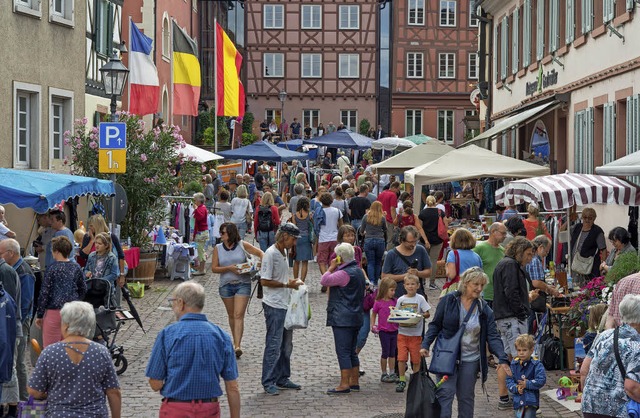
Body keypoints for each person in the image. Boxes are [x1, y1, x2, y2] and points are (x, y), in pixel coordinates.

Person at [420, 267, 510, 418]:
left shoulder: (484, 309)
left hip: (471, 359)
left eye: (482, 285)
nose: (479, 288)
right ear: (466, 283)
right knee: (444, 395)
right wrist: (425, 344)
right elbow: (435, 324)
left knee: (466, 398)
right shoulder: (449, 300)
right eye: (476, 284)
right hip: (446, 357)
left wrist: (502, 357)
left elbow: (493, 336)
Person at [146, 282, 240, 418]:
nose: (172, 306)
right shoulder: (221, 336)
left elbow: (155, 383)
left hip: (175, 408)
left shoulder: (168, 334)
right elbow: (232, 387)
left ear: (180, 302)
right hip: (209, 409)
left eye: (172, 302)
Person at [28, 301, 121, 418]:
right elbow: (113, 391)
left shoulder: (50, 353)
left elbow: (34, 391)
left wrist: (48, 394)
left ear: (66, 325)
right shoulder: (101, 352)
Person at [493, 236, 538, 410]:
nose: (529, 258)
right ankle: (519, 397)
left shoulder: (506, 264)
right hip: (511, 317)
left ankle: (505, 398)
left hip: (505, 317)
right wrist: (521, 312)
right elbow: (510, 292)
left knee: (507, 358)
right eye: (527, 254)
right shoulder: (510, 265)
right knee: (519, 358)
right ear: (519, 251)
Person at [259, 223, 303, 396]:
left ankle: (282, 377)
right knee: (274, 344)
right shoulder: (270, 254)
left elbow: (281, 276)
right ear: (284, 236)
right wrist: (286, 284)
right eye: (293, 239)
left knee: (286, 345)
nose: (294, 243)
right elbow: (264, 280)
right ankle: (268, 380)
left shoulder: (283, 251)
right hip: (274, 305)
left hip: (284, 303)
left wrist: (291, 282)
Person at [580, 294, 640, 418]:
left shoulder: (604, 335)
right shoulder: (637, 344)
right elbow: (632, 387)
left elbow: (584, 370)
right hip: (618, 410)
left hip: (590, 406)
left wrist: (588, 397)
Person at [211, 222, 263, 358]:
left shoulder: (242, 245)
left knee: (239, 314)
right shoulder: (218, 248)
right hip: (225, 285)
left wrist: (258, 265)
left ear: (231, 234)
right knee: (232, 315)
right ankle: (235, 341)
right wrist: (229, 268)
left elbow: (260, 253)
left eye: (223, 233)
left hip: (243, 283)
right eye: (221, 233)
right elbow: (214, 268)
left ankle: (237, 345)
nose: (221, 235)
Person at [320, 243, 365, 394]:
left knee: (343, 351)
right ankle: (355, 382)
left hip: (342, 317)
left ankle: (344, 384)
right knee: (351, 350)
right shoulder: (358, 271)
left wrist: (331, 267)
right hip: (356, 315)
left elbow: (324, 280)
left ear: (340, 257)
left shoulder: (343, 273)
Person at [36, 236, 86, 348]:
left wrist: (40, 314)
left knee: (51, 348)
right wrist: (76, 301)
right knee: (70, 346)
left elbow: (45, 292)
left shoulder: (52, 268)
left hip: (54, 311)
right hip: (72, 311)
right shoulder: (76, 267)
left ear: (57, 251)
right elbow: (83, 288)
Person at [0, 239, 34, 402]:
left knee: (16, 364)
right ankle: (21, 400)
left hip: (17, 322)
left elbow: (23, 301)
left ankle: (19, 401)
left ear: (10, 253)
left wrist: (17, 325)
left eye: (0, 253)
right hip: (15, 322)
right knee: (17, 363)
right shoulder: (13, 269)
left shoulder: (21, 270)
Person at [394, 274, 430, 393]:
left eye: (413, 284)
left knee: (416, 359)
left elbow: (427, 313)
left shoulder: (420, 299)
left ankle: (415, 380)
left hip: (415, 335)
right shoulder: (401, 300)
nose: (410, 286)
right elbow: (396, 314)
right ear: (404, 286)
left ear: (418, 286)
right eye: (408, 284)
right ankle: (402, 379)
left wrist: (419, 315)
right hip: (402, 334)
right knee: (401, 358)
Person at [0, 242, 22, 413]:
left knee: (9, 366)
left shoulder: (5, 272)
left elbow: (8, 305)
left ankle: (13, 408)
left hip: (8, 326)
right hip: (6, 326)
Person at [382, 226, 431, 299]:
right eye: (410, 242)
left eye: (415, 241)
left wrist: (417, 273)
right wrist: (405, 276)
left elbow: (429, 272)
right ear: (402, 240)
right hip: (397, 298)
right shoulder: (391, 254)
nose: (413, 244)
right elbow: (384, 276)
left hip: (417, 297)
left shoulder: (420, 250)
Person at [79, 214, 126, 290]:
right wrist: (92, 240)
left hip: (107, 276)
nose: (89, 228)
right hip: (92, 278)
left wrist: (122, 275)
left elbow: (121, 255)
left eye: (91, 226)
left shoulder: (110, 237)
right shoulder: (88, 237)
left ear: (97, 225)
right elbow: (83, 255)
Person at [505, 334, 546, 418]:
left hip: (531, 400)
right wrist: (515, 388)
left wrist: (527, 384)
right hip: (517, 399)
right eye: (519, 350)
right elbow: (509, 380)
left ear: (531, 350)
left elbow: (541, 379)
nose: (521, 353)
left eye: (524, 350)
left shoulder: (536, 364)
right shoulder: (514, 364)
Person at [473, 222, 508, 308]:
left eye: (505, 233)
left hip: (499, 293)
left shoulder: (503, 251)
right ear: (493, 231)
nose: (505, 236)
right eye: (502, 233)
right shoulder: (480, 248)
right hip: (484, 292)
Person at [570, 207, 607, 287]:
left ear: (594, 219)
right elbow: (562, 231)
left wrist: (603, 266)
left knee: (589, 287)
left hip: (590, 266)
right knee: (576, 286)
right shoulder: (577, 227)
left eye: (590, 218)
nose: (587, 220)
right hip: (575, 264)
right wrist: (569, 219)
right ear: (582, 217)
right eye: (585, 217)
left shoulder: (597, 231)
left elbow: (603, 250)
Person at [371, 277, 398, 383]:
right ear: (385, 289)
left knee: (392, 352)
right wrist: (373, 325)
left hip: (394, 330)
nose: (393, 292)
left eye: (394, 290)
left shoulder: (395, 301)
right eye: (391, 290)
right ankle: (383, 373)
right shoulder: (379, 302)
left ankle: (392, 372)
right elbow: (373, 314)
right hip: (384, 331)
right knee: (385, 352)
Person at [419, 195, 447, 290]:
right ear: (435, 202)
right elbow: (445, 225)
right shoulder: (440, 212)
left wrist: (425, 240)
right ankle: (432, 283)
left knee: (423, 260)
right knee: (433, 261)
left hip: (425, 240)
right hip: (437, 240)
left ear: (426, 202)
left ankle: (422, 280)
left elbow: (420, 228)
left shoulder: (422, 213)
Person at [444, 229, 483, 293]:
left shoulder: (453, 254)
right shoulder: (476, 256)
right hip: (473, 290)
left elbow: (451, 275)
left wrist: (446, 267)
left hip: (459, 289)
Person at [359, 201, 387, 286]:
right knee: (378, 262)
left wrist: (364, 233)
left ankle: (371, 281)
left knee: (370, 262)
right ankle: (376, 281)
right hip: (380, 240)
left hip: (369, 240)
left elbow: (361, 230)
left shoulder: (366, 217)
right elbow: (385, 229)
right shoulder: (382, 218)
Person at [317, 193, 343, 281]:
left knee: (321, 261)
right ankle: (331, 278)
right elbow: (341, 226)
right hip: (335, 238)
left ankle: (326, 278)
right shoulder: (337, 211)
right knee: (335, 260)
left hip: (323, 238)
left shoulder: (319, 211)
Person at [292, 197, 313, 283]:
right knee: (305, 262)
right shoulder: (309, 215)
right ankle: (302, 281)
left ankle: (295, 280)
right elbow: (312, 226)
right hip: (306, 238)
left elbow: (294, 228)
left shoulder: (294, 215)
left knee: (296, 261)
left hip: (297, 239)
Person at [377, 181, 400, 250]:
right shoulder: (393, 195)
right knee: (390, 239)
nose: (398, 192)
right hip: (389, 219)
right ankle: (389, 255)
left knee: (382, 237)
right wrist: (395, 221)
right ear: (394, 188)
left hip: (380, 218)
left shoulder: (381, 194)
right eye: (398, 189)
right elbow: (392, 209)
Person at [191, 193, 210, 275]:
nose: (194, 202)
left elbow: (200, 217)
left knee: (200, 251)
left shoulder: (201, 208)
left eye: (195, 200)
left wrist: (195, 210)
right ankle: (201, 268)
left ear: (198, 201)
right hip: (201, 232)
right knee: (201, 250)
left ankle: (202, 270)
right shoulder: (202, 207)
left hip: (201, 233)